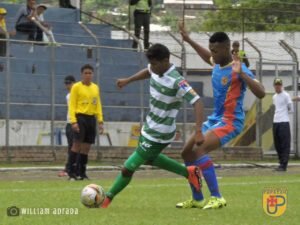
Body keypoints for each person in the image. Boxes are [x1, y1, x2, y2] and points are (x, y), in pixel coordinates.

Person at [101, 43, 205, 208]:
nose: (152, 68)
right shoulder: (155, 68)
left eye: (155, 64)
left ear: (165, 61)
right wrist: (128, 80)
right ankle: (189, 173)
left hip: (160, 134)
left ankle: (106, 199)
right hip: (148, 127)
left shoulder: (178, 81)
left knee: (127, 168)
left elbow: (197, 101)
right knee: (150, 159)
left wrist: (198, 130)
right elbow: (148, 71)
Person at [177, 23, 265, 209]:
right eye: (211, 50)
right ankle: (198, 198)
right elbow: (205, 55)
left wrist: (242, 74)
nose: (212, 54)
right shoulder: (216, 63)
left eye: (215, 51)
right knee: (186, 152)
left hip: (231, 122)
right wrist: (188, 39)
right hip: (215, 119)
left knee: (199, 150)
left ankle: (217, 197)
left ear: (225, 48)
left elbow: (261, 93)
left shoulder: (237, 69)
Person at [68, 64, 104, 180]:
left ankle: (82, 172)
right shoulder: (76, 87)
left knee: (86, 146)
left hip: (91, 118)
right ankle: (71, 172)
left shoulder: (95, 87)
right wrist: (73, 121)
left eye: (90, 73)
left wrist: (100, 120)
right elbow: (72, 105)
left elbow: (97, 104)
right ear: (82, 74)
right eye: (86, 73)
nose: (88, 75)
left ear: (92, 74)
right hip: (80, 117)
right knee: (76, 144)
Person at [272, 78, 293, 172]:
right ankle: (281, 162)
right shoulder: (274, 97)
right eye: (276, 85)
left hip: (284, 121)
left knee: (285, 143)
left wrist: (285, 112)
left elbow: (290, 108)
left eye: (279, 85)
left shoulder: (286, 95)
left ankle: (284, 164)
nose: (278, 86)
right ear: (274, 86)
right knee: (277, 144)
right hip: (276, 121)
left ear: (281, 85)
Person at [58, 75, 76, 177]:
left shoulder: (74, 94)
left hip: (75, 123)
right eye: (66, 83)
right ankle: (69, 168)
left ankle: (71, 168)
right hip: (71, 123)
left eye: (69, 83)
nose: (67, 85)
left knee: (75, 147)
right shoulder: (69, 96)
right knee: (72, 147)